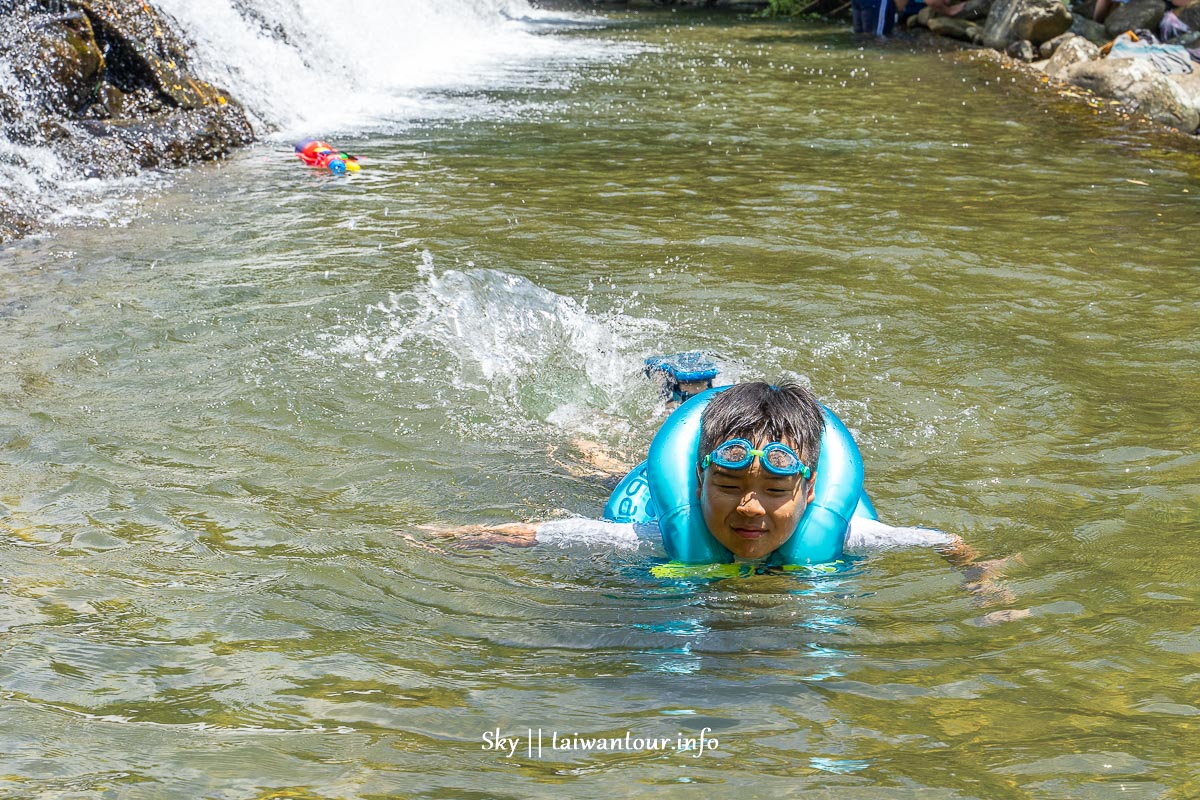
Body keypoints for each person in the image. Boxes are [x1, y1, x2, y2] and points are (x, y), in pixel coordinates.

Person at [429, 382, 1001, 582]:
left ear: (810, 490)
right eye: (728, 485)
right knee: (594, 465)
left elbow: (951, 544)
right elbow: (536, 534)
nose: (751, 508)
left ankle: (690, 394)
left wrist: (988, 590)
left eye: (776, 492)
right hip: (644, 491)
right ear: (699, 481)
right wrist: (441, 539)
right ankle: (664, 406)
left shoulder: (850, 533)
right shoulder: (652, 534)